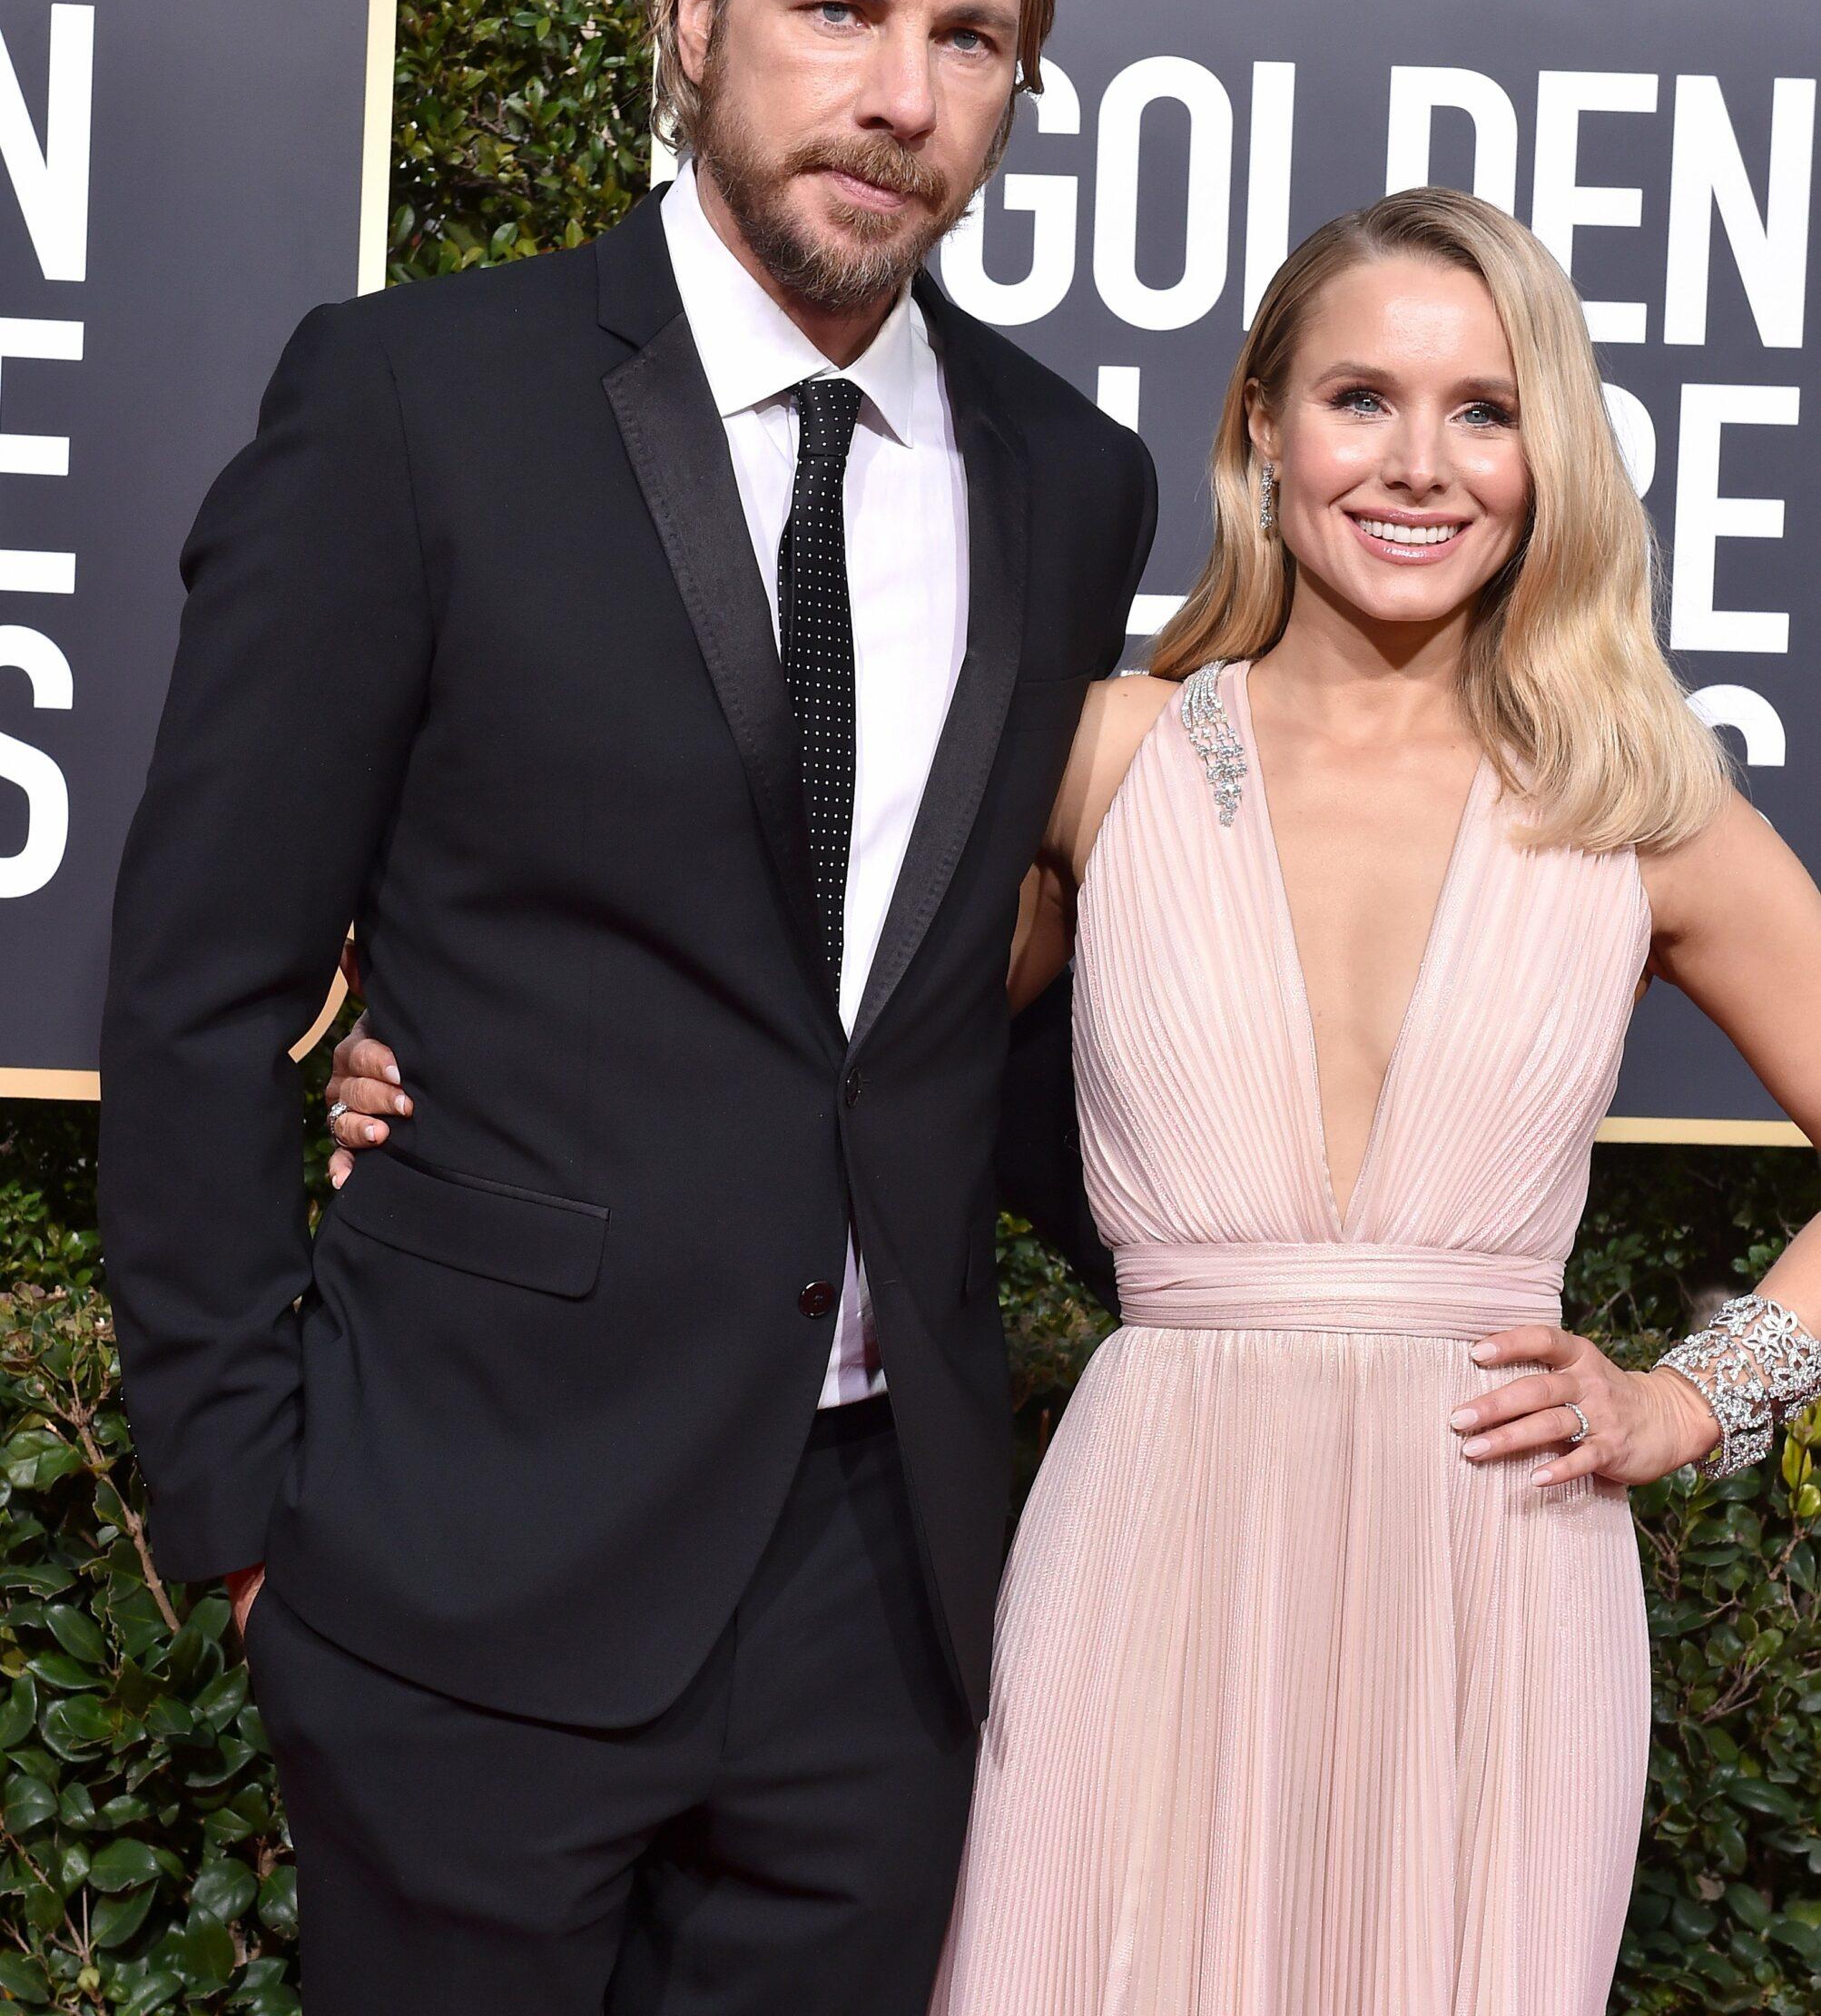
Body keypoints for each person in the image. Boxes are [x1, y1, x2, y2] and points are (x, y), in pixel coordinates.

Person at [338, 186, 1821, 2016]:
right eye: (1361, 397)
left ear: (1551, 455)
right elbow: (813, 1049)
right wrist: (427, 1068)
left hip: (1492, 1575)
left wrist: (1692, 1398)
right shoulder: (1105, 753)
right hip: (1152, 1539)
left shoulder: (1635, 799)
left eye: (1485, 408)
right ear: (1262, 431)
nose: (1420, 463)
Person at [98, 0, 1152, 2016]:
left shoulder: (1075, 477)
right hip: (457, 1559)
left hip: (884, 1593)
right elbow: (200, 984)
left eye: (969, 41)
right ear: (693, 11)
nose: (899, 94)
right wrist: (246, 1518)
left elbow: (966, 1011)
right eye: (839, 11)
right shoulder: (412, 401)